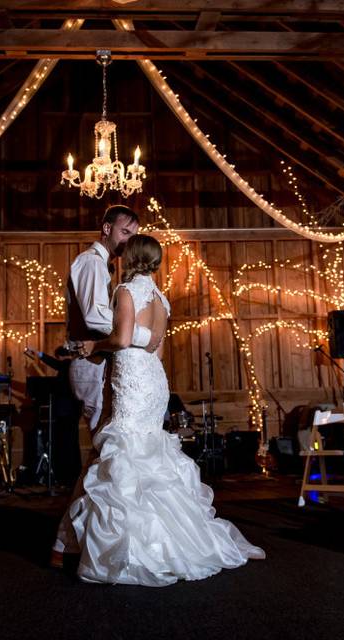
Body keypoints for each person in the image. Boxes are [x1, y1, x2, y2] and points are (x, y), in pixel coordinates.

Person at [69, 234, 264, 586]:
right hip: (154, 378)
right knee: (149, 450)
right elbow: (156, 350)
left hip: (132, 376)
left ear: (129, 257)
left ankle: (137, 549)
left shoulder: (125, 291)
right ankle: (175, 539)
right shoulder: (161, 299)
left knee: (128, 451)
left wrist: (92, 346)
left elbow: (123, 339)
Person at [51, 205, 162, 561]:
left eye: (134, 235)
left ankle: (84, 540)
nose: (128, 241)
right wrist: (142, 335)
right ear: (107, 228)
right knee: (105, 456)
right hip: (91, 363)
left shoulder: (112, 273)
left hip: (107, 362)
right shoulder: (90, 263)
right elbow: (95, 316)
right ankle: (71, 542)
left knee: (108, 457)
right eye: (125, 233)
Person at [24, 346, 83, 486]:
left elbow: (55, 364)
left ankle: (67, 475)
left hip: (66, 411)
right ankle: (71, 474)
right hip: (72, 411)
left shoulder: (67, 364)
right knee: (71, 443)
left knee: (66, 443)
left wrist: (38, 353)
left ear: (59, 356)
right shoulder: (73, 365)